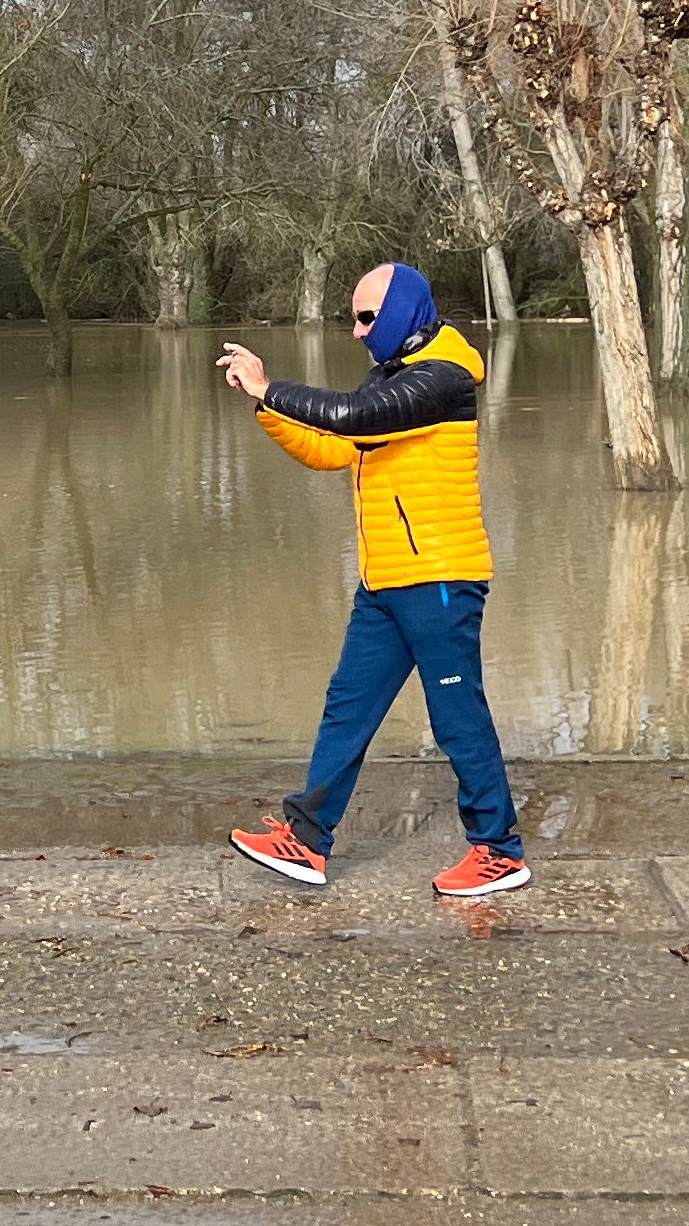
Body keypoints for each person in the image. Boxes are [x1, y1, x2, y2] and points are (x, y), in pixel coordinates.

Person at [213, 263, 524, 900]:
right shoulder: (395, 378)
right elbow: (333, 447)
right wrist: (264, 405)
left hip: (439, 578)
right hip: (384, 580)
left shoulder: (443, 377)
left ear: (403, 311)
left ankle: (499, 851)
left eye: (365, 318)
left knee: (458, 718)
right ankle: (306, 840)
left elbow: (352, 416)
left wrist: (271, 386)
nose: (356, 332)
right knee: (347, 708)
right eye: (353, 319)